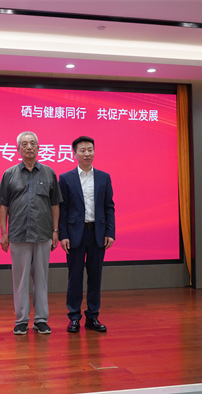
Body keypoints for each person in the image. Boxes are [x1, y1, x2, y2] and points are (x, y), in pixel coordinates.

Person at [0, 131, 62, 335]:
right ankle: (21, 320)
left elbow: (54, 204)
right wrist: (3, 233)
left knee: (42, 279)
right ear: (18, 149)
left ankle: (41, 319)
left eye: (33, 143)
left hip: (43, 233)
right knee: (20, 279)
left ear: (38, 147)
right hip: (18, 233)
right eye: (24, 144)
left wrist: (55, 230)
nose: (29, 147)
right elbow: (3, 206)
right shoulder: (9, 174)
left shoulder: (49, 173)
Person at [58, 136, 115, 333]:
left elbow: (109, 207)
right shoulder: (66, 178)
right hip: (75, 234)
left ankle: (93, 316)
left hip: (97, 233)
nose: (87, 153)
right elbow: (63, 209)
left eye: (90, 149)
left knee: (95, 277)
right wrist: (63, 235)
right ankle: (74, 317)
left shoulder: (104, 177)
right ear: (74, 154)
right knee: (74, 277)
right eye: (82, 150)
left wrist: (110, 232)